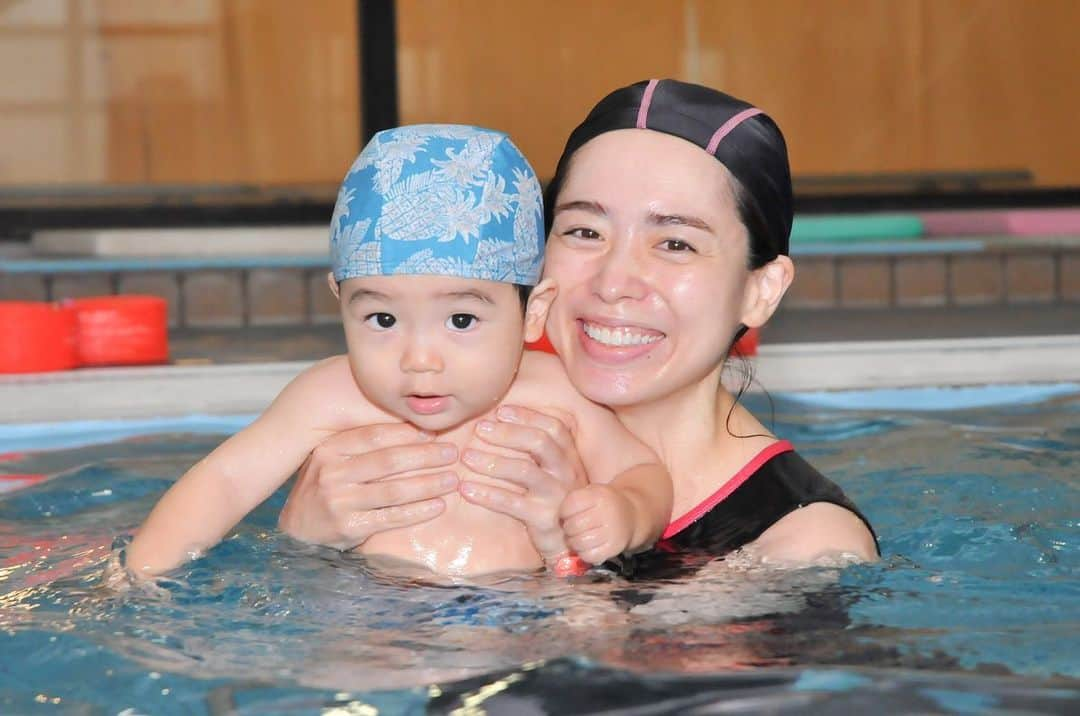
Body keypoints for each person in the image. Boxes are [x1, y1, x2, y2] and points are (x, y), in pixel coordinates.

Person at [279, 80, 879, 569]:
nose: (614, 281)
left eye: (674, 243)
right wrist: (302, 545)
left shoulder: (801, 545)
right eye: (584, 232)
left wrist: (561, 550)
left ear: (760, 290)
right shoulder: (439, 417)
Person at [123, 124, 673, 578]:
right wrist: (139, 575)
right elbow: (222, 483)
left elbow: (645, 472)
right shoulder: (328, 396)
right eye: (382, 319)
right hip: (372, 617)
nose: (420, 359)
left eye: (461, 319)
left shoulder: (555, 391)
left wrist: (624, 511)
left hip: (526, 609)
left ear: (533, 312)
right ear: (340, 301)